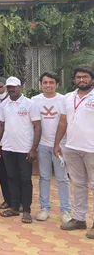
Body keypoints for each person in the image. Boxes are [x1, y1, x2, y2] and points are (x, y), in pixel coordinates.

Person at [0, 77, 41, 224]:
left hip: (25, 149)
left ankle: (26, 210)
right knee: (12, 178)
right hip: (8, 147)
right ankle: (15, 207)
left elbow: (38, 126)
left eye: (14, 87)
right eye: (9, 87)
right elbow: (1, 125)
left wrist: (33, 148)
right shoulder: (4, 105)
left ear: (20, 87)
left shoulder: (30, 104)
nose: (11, 89)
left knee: (25, 179)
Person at [56, 65, 94, 237]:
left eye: (85, 77)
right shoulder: (68, 97)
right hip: (72, 147)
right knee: (78, 184)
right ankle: (79, 218)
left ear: (92, 79)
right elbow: (63, 122)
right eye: (78, 77)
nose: (81, 80)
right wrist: (57, 143)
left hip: (92, 149)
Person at [30, 72, 71, 223]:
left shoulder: (64, 100)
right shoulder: (34, 100)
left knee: (62, 178)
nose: (48, 85)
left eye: (51, 82)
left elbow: (66, 122)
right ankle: (44, 208)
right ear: (41, 84)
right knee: (44, 177)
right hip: (42, 145)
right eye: (45, 82)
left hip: (60, 146)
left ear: (57, 84)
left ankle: (66, 210)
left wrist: (59, 143)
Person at [0, 77, 11, 210]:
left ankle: (18, 201)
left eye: (1, 87)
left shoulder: (12, 101)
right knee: (3, 174)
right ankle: (7, 200)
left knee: (13, 174)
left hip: (12, 143)